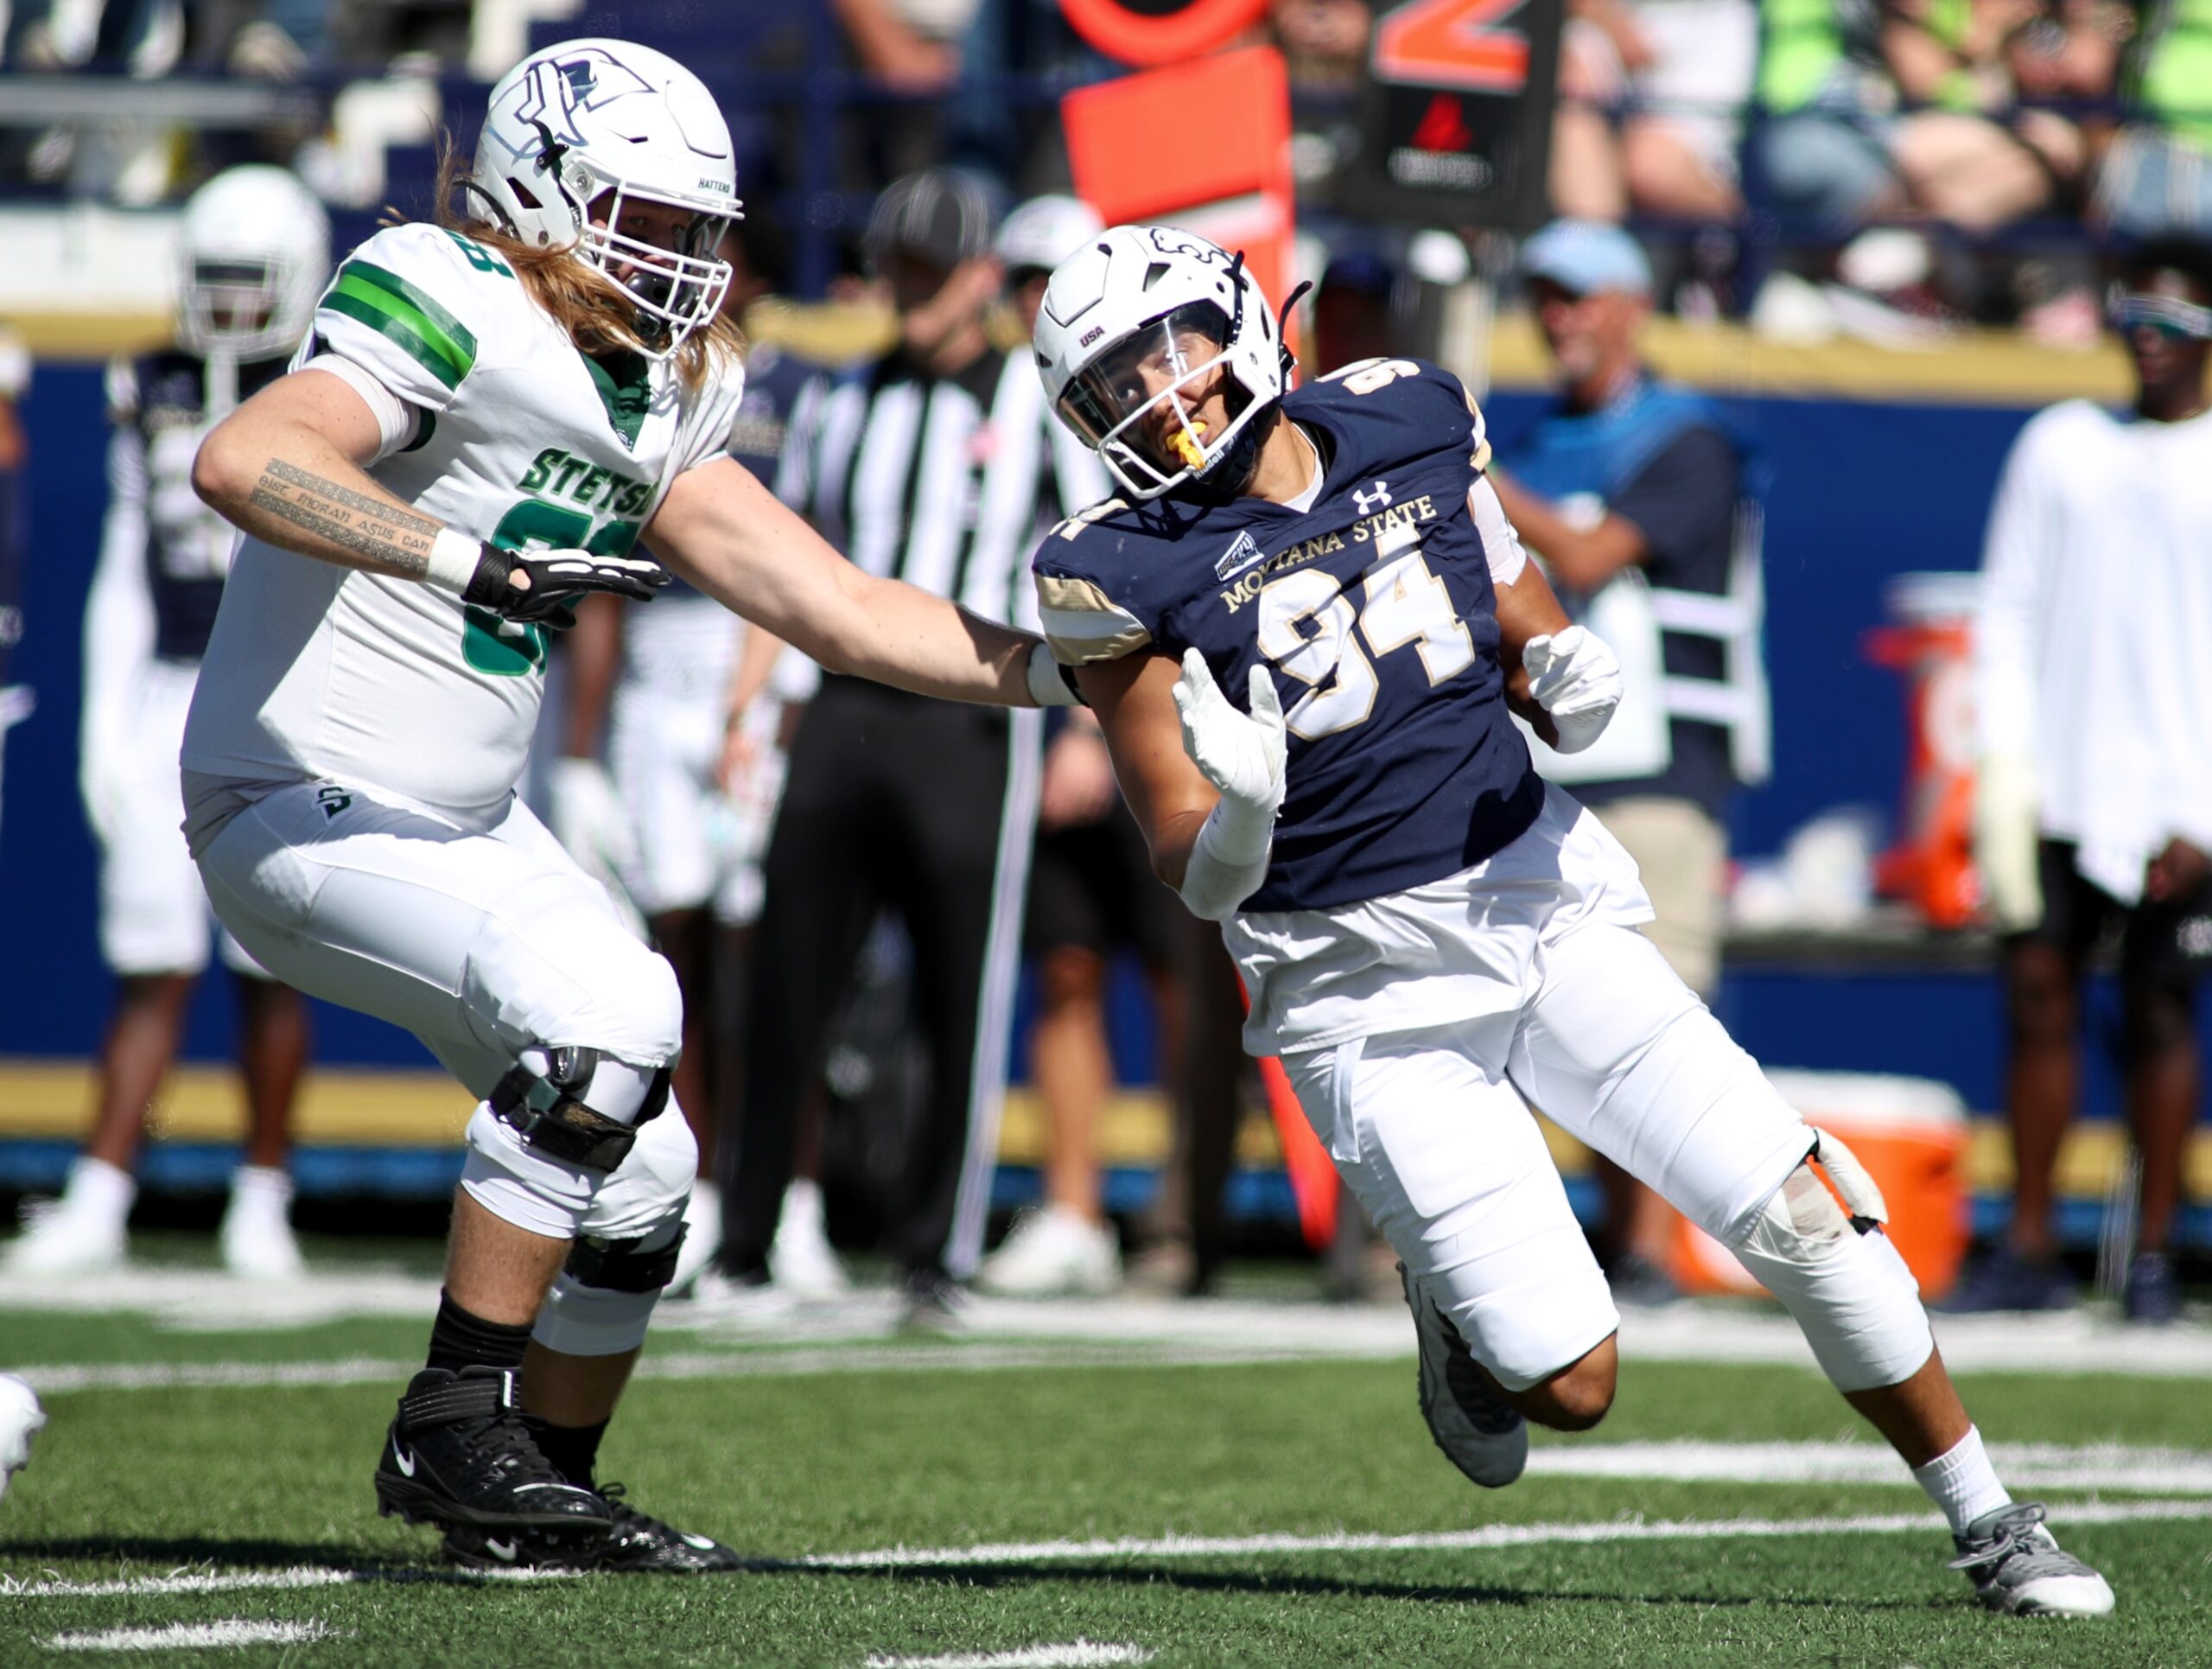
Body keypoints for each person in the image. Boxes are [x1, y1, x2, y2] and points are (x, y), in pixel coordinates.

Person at [1027, 222, 2113, 1617]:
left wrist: (1555, 667)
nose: (1156, 400)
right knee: (1574, 1383)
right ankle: (1453, 1306)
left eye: (1166, 354)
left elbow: (1514, 603)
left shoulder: (1407, 414)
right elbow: (1190, 857)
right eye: (1114, 387)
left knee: (1804, 1205)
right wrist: (1239, 812)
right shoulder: (1114, 563)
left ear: (1240, 321)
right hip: (1360, 987)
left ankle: (1989, 1515)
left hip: (1533, 897)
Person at [181, 39, 1079, 1574]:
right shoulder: (448, 288)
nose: (678, 261)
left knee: (651, 1170)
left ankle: (534, 1491)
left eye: (695, 230)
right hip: (296, 793)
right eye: (644, 221)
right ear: (541, 194)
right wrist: (467, 560)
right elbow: (247, 452)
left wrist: (1082, 673)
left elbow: (845, 608)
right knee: (620, 1010)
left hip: (466, 824)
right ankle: (451, 1417)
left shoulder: (660, 387)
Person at [715, 169, 1070, 1328]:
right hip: (840, 707)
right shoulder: (841, 400)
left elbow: (1087, 562)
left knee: (960, 990)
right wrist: (748, 707)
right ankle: (745, 1242)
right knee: (786, 979)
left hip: (971, 719)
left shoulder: (1033, 402)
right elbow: (790, 565)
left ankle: (935, 1253)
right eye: (896, 265)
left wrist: (1083, 727)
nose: (909, 288)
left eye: (931, 267)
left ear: (980, 275)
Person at [5, 168, 326, 1282]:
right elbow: (124, 563)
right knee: (151, 954)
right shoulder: (151, 377)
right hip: (168, 686)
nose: (230, 306)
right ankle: (104, 1187)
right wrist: (105, 719)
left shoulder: (329, 384)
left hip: (282, 694)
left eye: (253, 282)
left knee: (270, 960)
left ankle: (265, 1192)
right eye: (216, 279)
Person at [546, 207, 827, 1298]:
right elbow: (599, 570)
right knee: (675, 958)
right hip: (656, 673)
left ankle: (791, 1193)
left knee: (773, 959)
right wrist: (580, 750)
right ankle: (702, 1188)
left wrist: (769, 701)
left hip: (748, 662)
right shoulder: (633, 376)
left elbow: (809, 556)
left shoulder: (798, 388)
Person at [1487, 220, 1768, 1308]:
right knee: (1567, 1009)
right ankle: (1617, 1245)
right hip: (1556, 763)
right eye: (1545, 298)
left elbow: (1591, 555)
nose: (1558, 318)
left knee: (1654, 1005)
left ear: (1632, 308)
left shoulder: (1686, 440)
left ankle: (1652, 1249)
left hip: (1661, 766)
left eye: (1579, 296)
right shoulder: (1539, 442)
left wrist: (1466, 476)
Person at [1954, 237, 2212, 1326]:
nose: (2147, 343)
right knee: (2037, 995)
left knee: (2158, 1008)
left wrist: (2200, 809)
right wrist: (2005, 768)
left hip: (2176, 795)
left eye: (2174, 324)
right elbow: (2007, 607)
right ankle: (2026, 1242)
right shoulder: (2059, 442)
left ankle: (2151, 1251)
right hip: (2055, 778)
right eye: (2133, 319)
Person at [975, 192, 1161, 1298]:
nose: (1034, 306)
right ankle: (1077, 1203)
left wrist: (1100, 722)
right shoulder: (990, 399)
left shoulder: (1132, 406)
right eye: (1021, 283)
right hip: (1043, 709)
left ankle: (1185, 1211)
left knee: (1188, 971)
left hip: (1134, 711)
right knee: (1068, 964)